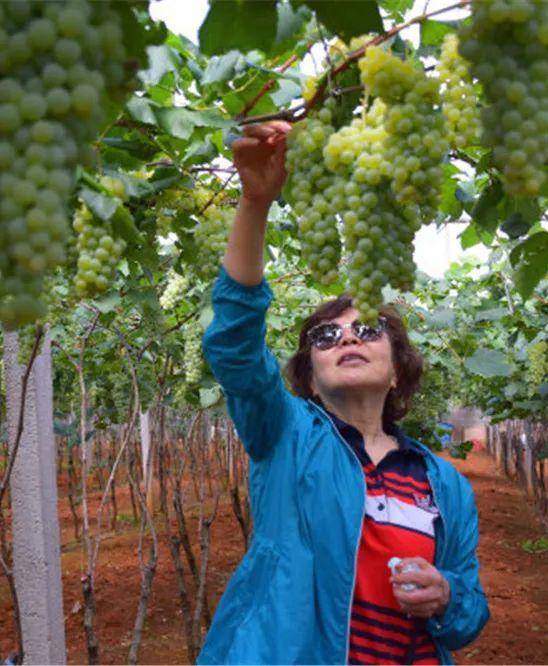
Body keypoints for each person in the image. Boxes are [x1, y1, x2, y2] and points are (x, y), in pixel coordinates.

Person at [196, 121, 489, 665]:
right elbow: (233, 342)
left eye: (369, 329)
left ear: (398, 371)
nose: (348, 337)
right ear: (308, 375)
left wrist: (447, 595)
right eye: (325, 337)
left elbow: (469, 619)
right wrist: (255, 203)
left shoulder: (445, 485)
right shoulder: (285, 438)